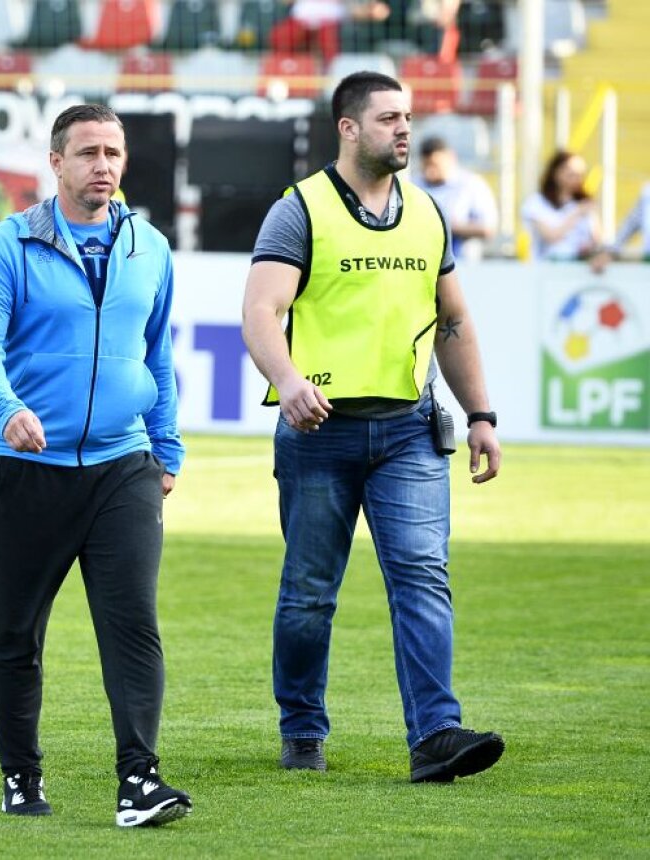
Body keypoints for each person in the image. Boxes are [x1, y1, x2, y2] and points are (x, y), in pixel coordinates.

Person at [241, 71, 505, 783]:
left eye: (409, 117)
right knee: (309, 593)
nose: (404, 129)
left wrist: (480, 414)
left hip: (410, 433)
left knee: (422, 578)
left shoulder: (426, 213)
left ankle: (435, 737)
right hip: (318, 434)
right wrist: (289, 382)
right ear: (348, 128)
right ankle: (301, 730)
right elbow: (261, 312)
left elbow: (452, 319)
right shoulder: (298, 210)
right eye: (389, 117)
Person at [0, 104, 192, 828]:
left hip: (123, 465)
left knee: (134, 625)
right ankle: (21, 777)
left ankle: (139, 781)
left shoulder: (150, 248)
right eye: (88, 151)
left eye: (113, 152)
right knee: (17, 631)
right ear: (54, 162)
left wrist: (168, 445)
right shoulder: (8, 245)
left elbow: (158, 354)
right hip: (26, 467)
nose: (103, 165)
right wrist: (6, 410)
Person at [412, 135, 498, 261]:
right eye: (426, 166)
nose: (430, 172)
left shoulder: (471, 185)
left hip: (464, 264)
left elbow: (488, 228)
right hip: (424, 263)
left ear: (450, 158)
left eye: (434, 165)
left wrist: (447, 226)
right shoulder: (414, 185)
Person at [520, 149, 603, 263]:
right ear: (556, 173)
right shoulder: (536, 203)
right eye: (571, 174)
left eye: (580, 174)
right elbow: (551, 236)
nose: (577, 179)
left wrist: (589, 247)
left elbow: (596, 239)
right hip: (546, 270)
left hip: (579, 269)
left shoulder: (584, 203)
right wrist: (577, 213)